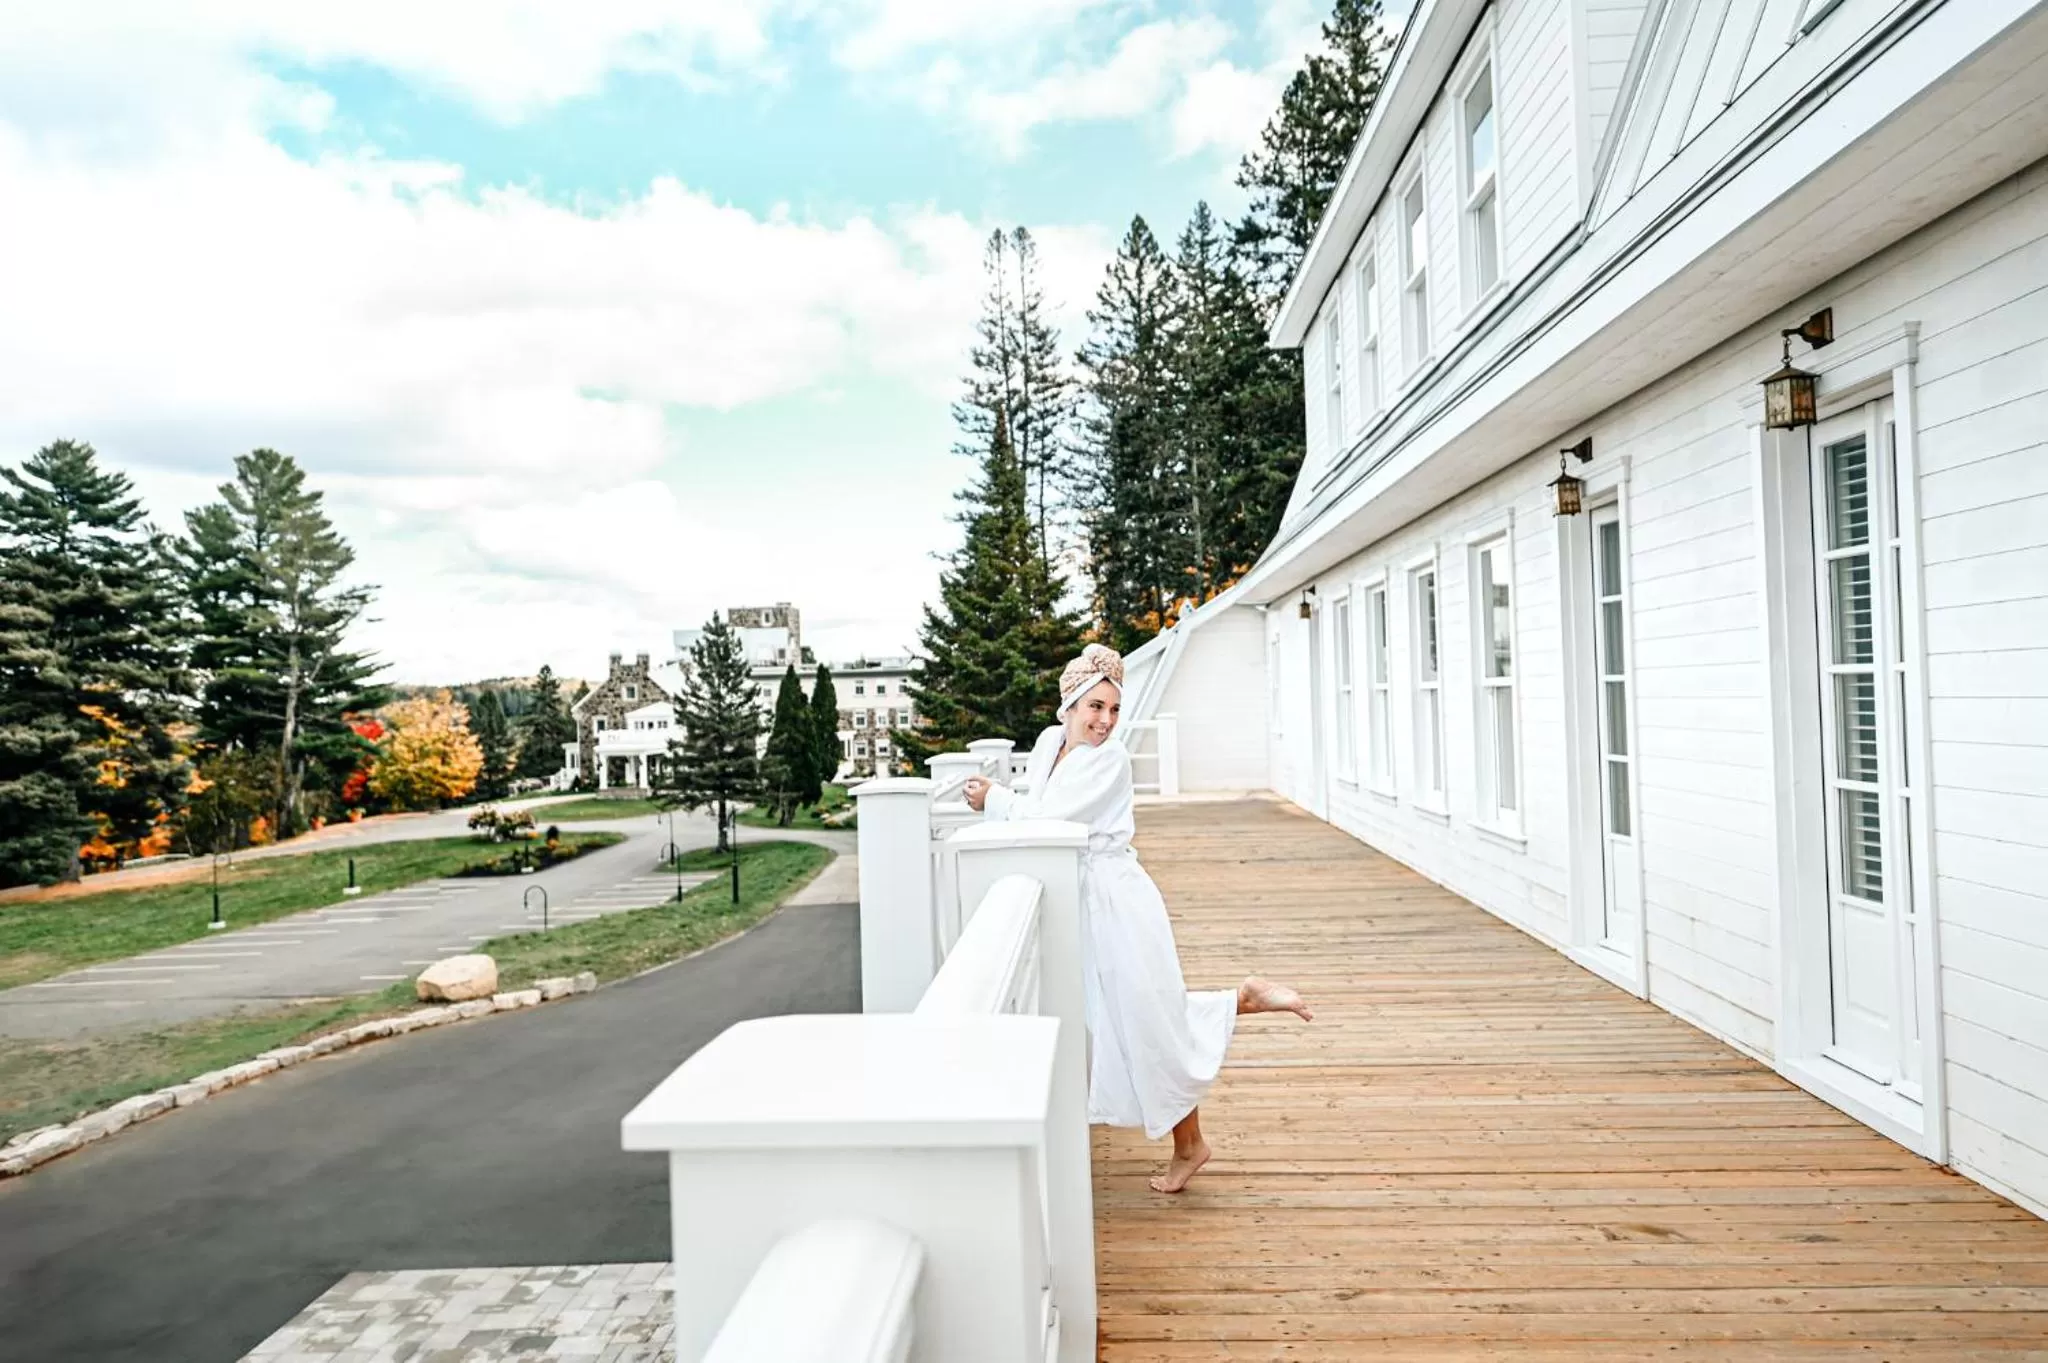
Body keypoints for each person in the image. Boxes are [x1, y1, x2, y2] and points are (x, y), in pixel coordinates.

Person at [964, 642, 1312, 1194]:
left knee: (1145, 1017)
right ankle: (1236, 1008)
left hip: (1116, 899)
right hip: (1083, 899)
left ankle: (1194, 1132)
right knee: (1131, 1015)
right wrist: (1003, 801)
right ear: (1069, 705)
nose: (1105, 721)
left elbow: (1049, 817)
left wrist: (995, 800)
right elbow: (1040, 809)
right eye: (1095, 707)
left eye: (1114, 709)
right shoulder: (1050, 745)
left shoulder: (1110, 760)